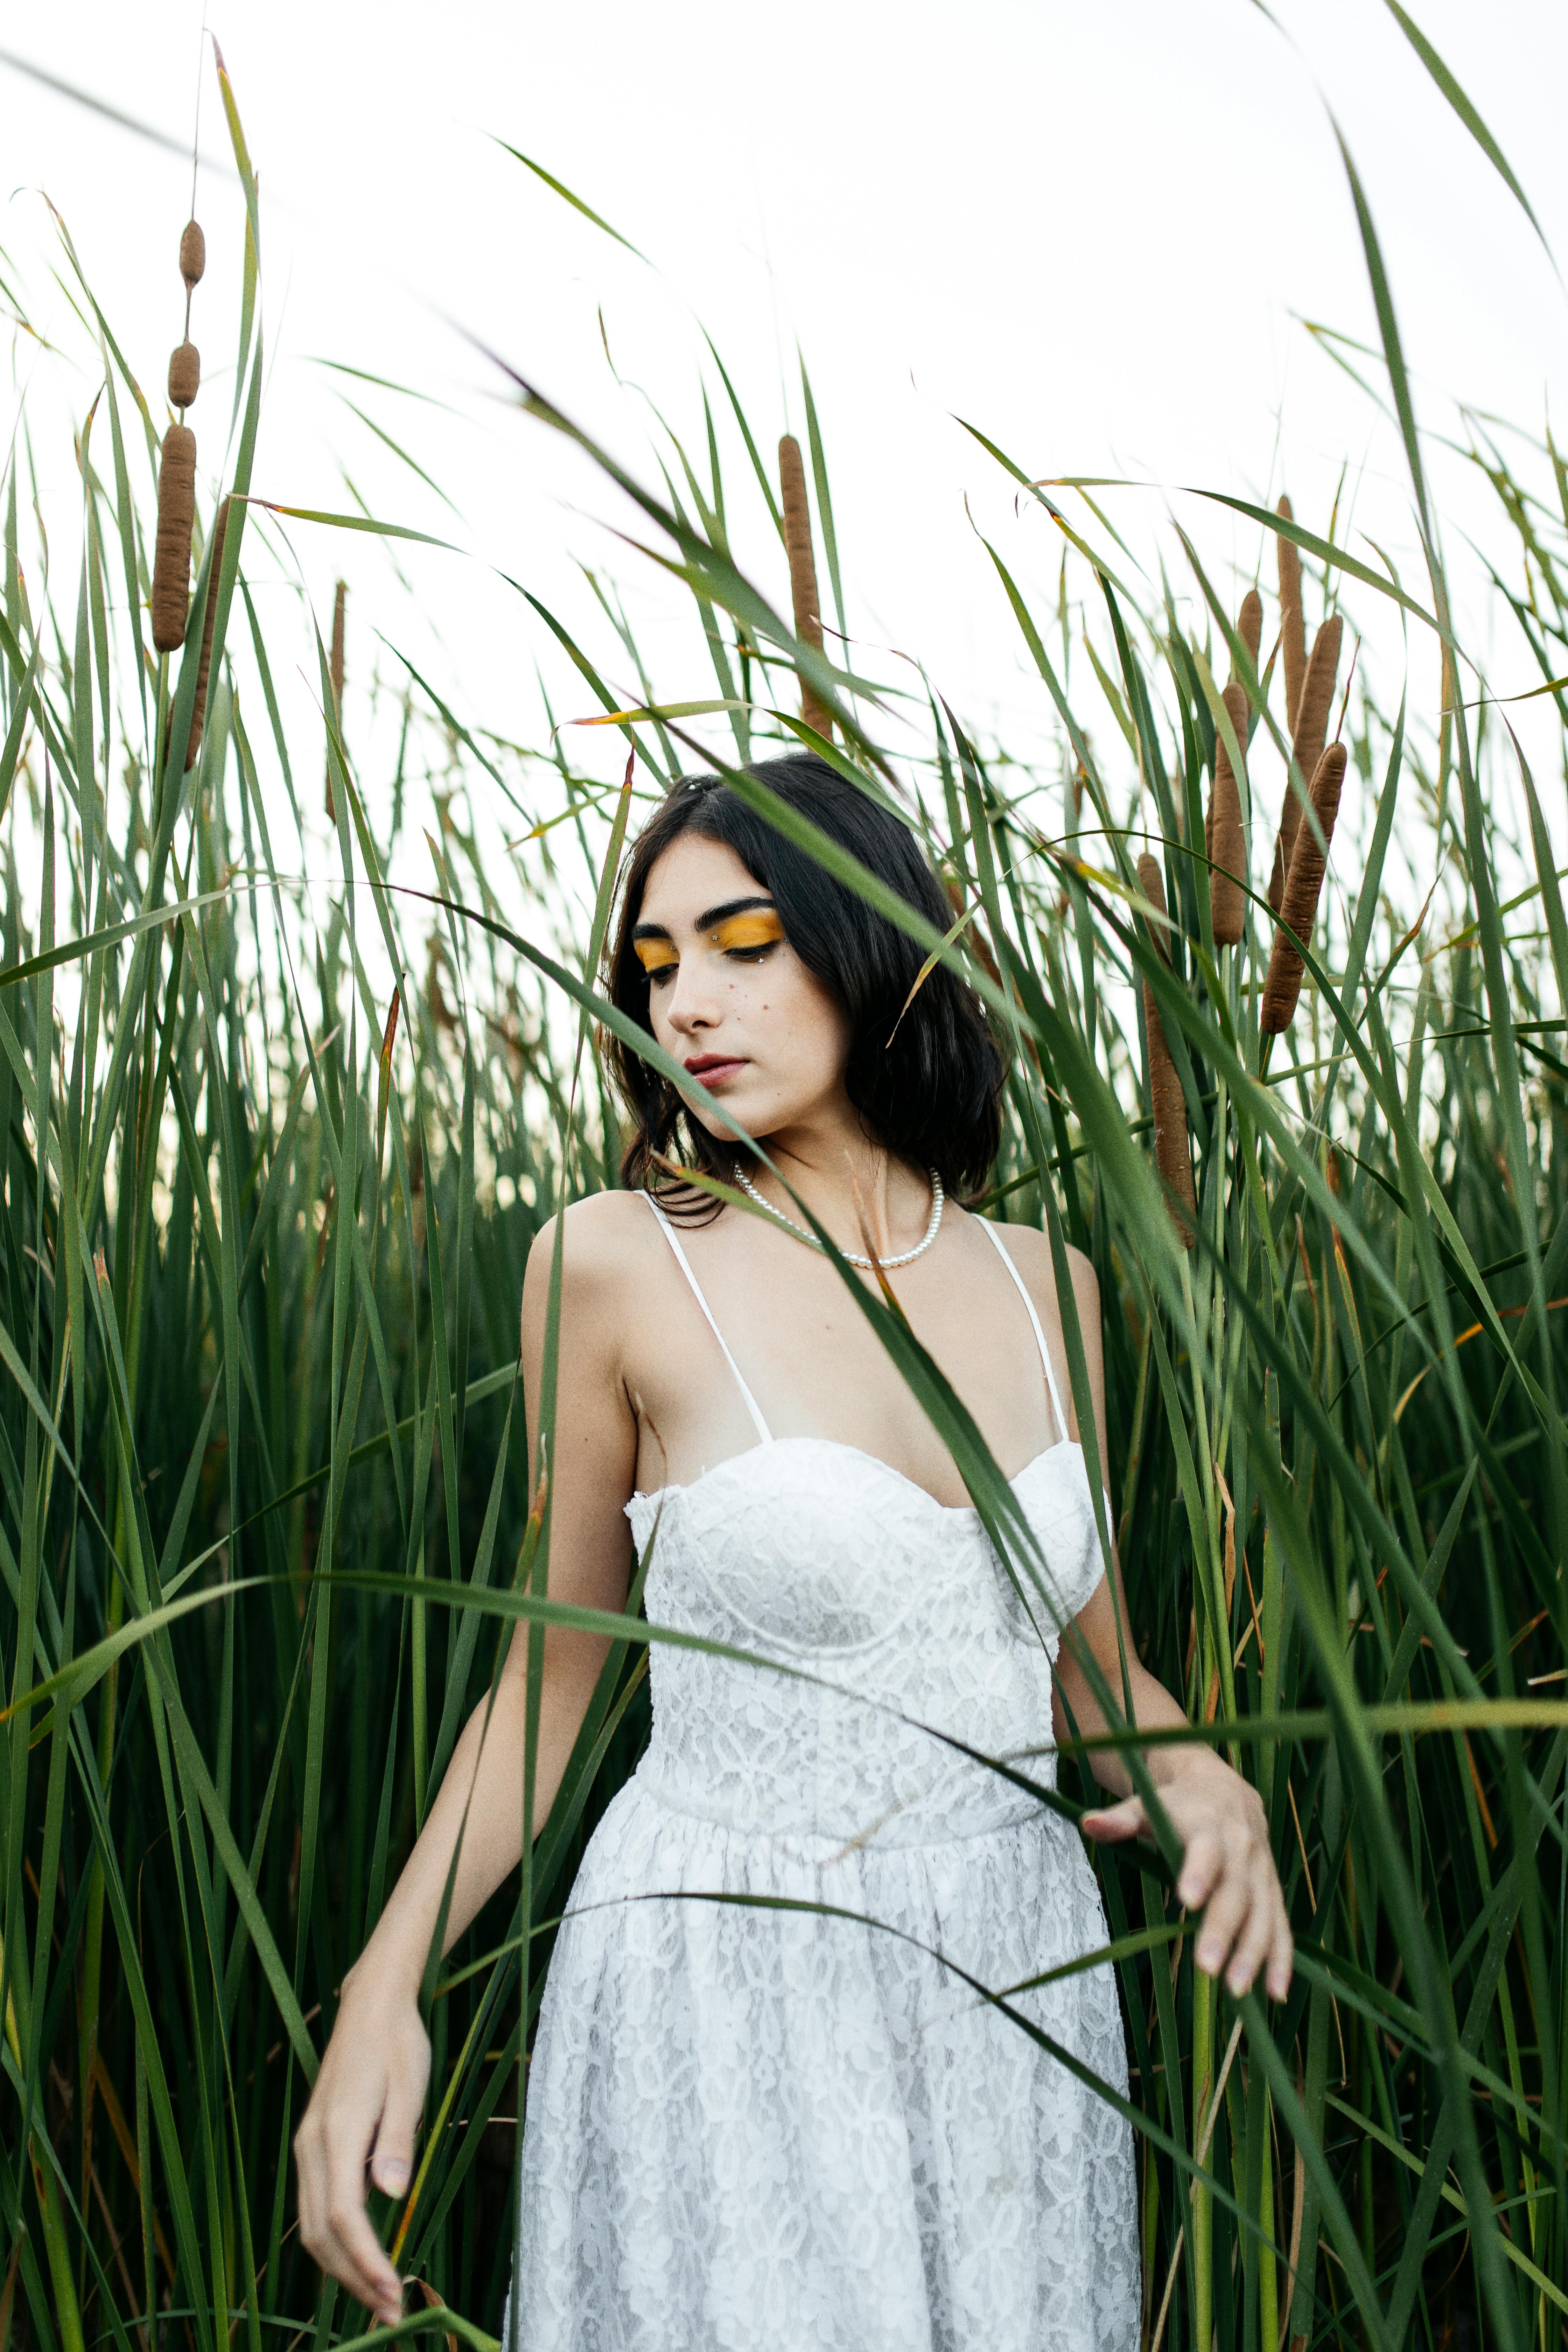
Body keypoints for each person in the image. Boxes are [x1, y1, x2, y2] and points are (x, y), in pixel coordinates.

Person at [295, 753, 1292, 2350]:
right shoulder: (614, 1265)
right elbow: (550, 1686)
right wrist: (382, 1987)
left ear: (864, 935)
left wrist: (1199, 1771)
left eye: (743, 942)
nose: (688, 998)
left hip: (1014, 1982)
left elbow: (1079, 1671)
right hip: (725, 1977)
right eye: (658, 961)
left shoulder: (1056, 1289)